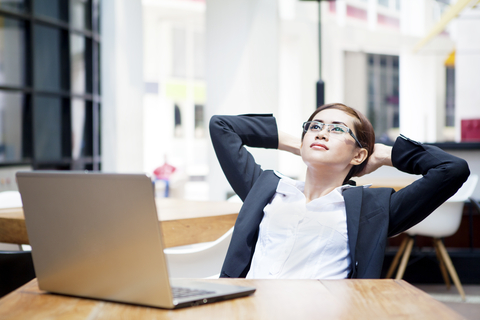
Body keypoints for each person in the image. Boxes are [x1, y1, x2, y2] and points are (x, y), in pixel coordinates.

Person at [209, 103, 470, 279]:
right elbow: (221, 126)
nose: (322, 133)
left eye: (336, 129)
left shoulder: (370, 210)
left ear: (359, 154)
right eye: (315, 126)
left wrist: (383, 154)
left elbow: (452, 169)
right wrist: (298, 144)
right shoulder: (266, 190)